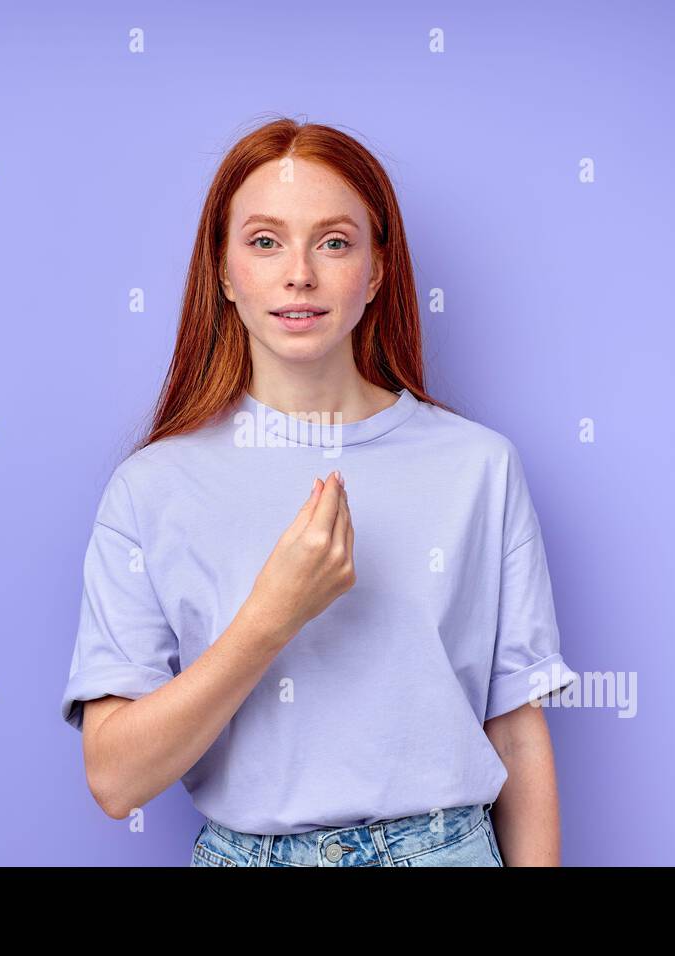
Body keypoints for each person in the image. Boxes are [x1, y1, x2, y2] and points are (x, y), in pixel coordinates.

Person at [61, 116, 577, 867]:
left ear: (375, 272)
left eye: (333, 241)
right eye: (264, 241)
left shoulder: (479, 467)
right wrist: (272, 615)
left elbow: (517, 731)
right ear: (224, 273)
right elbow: (114, 780)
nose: (298, 272)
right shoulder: (150, 488)